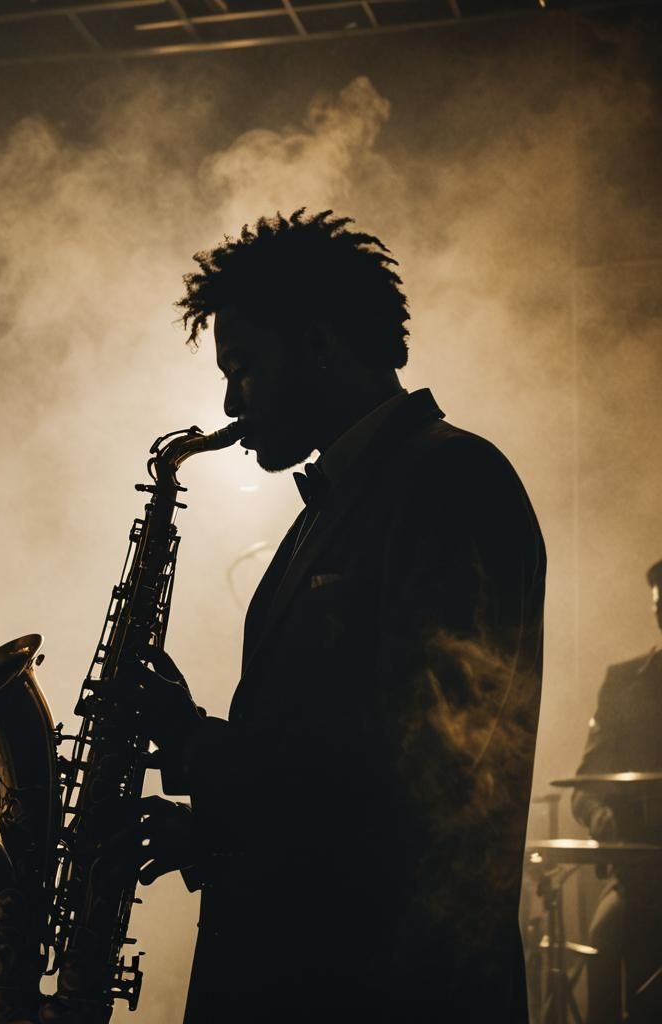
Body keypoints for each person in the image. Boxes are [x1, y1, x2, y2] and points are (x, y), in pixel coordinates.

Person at [130, 210, 545, 1023]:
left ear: (319, 344)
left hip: (388, 988)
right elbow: (326, 783)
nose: (228, 399)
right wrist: (208, 836)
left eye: (243, 366)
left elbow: (415, 768)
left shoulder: (453, 480)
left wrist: (197, 747)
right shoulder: (343, 499)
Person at [571, 558, 662, 1024]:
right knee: (603, 939)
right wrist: (598, 813)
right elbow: (583, 785)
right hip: (640, 881)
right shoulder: (624, 684)